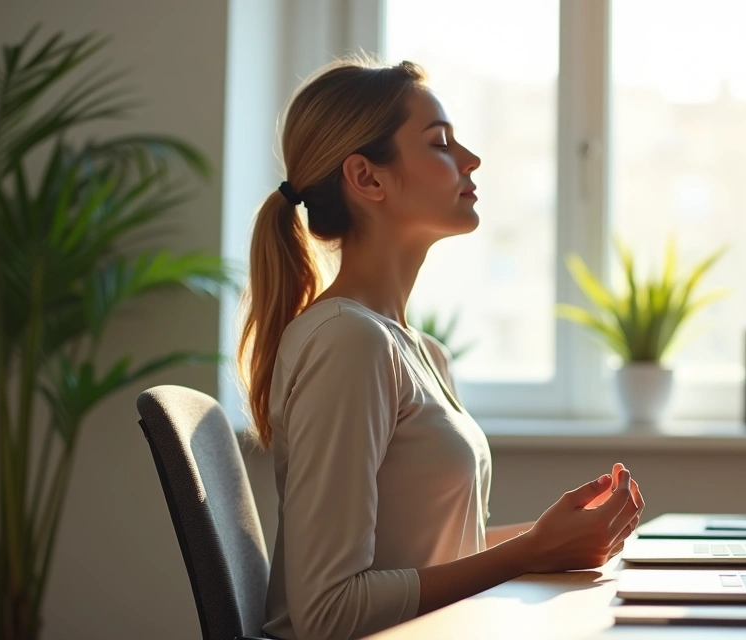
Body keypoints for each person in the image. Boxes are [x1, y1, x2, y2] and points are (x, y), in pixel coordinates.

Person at [237, 58, 645, 640]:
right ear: (368, 178)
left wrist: (556, 539)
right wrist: (530, 551)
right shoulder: (348, 342)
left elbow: (437, 559)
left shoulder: (421, 350)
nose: (471, 160)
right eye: (441, 143)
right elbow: (329, 614)